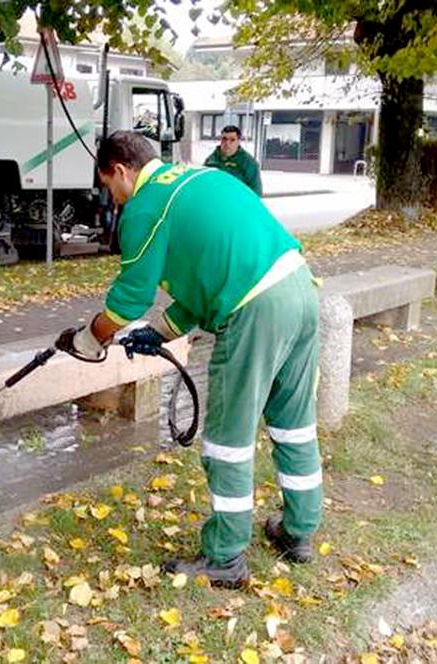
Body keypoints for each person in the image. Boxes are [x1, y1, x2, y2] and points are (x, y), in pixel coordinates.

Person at [57, 131, 322, 588]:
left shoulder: (145, 205)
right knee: (292, 423)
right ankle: (298, 532)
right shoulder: (200, 179)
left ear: (119, 170)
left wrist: (89, 339)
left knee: (229, 439)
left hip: (255, 309)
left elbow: (128, 300)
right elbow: (204, 286)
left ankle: (225, 557)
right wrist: (158, 332)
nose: (114, 199)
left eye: (109, 187)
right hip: (300, 290)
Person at [204, 125, 263, 196]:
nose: (227, 143)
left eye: (232, 140)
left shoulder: (248, 163)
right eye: (224, 139)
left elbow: (256, 193)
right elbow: (203, 183)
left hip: (236, 204)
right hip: (214, 202)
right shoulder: (211, 160)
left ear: (238, 141)